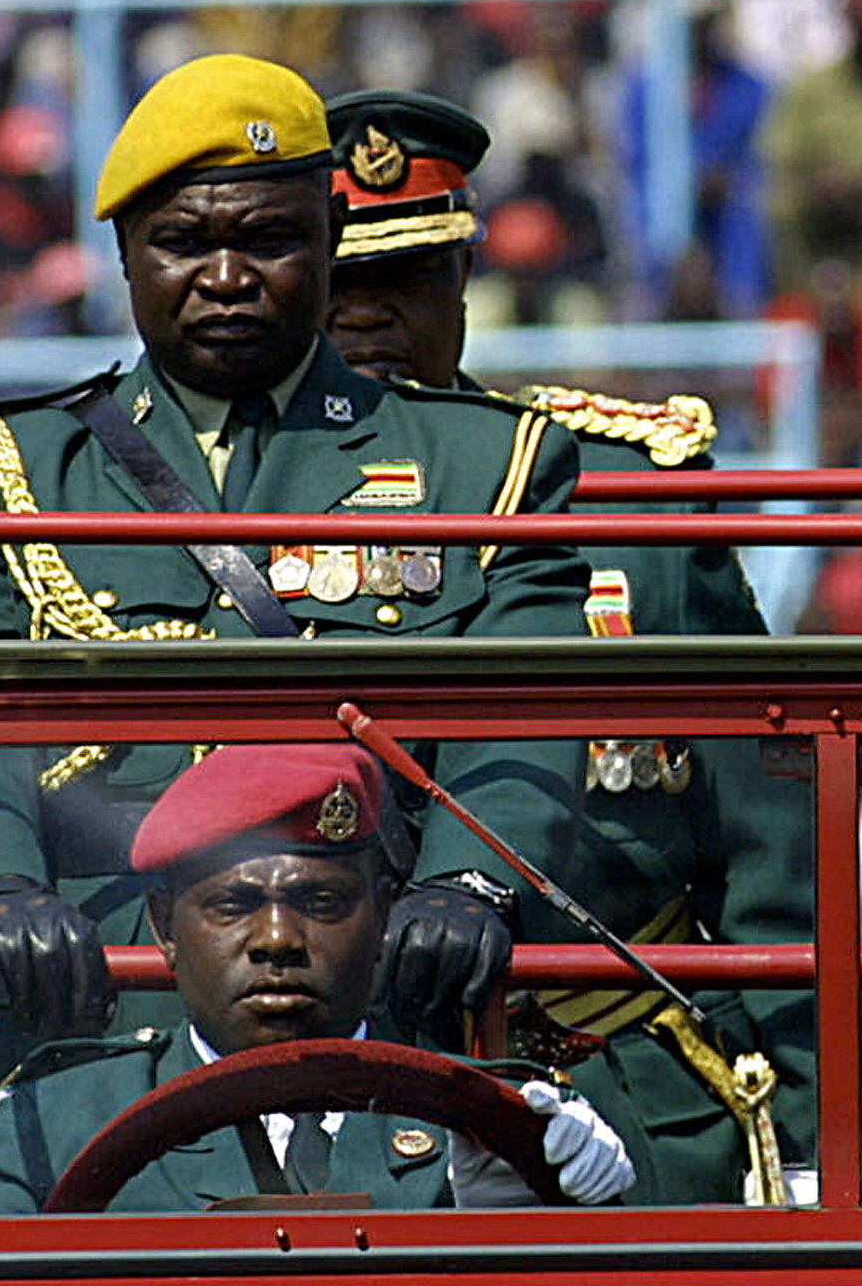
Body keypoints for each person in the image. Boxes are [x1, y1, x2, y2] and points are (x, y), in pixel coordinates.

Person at [0, 55, 594, 1123]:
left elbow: (527, 726)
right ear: (125, 254)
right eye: (184, 242)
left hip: (382, 1014)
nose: (227, 275)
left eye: (269, 238)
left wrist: (470, 885)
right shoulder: (4, 473)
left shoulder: (481, 468)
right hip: (90, 1014)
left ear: (327, 240)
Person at [321, 88, 816, 1204]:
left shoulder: (626, 496)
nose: (366, 319)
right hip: (333, 1099)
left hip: (624, 1084)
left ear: (463, 282)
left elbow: (766, 845)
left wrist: (815, 1121)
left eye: (403, 279)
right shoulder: (215, 526)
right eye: (337, 285)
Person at [0, 744, 634, 1215]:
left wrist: (527, 1212)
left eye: (321, 903)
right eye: (233, 907)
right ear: (164, 929)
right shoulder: (51, 1120)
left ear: (385, 913)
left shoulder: (490, 1117)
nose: (277, 941)